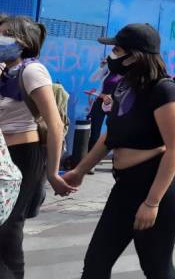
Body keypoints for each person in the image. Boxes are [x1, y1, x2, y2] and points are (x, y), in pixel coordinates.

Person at [60, 23, 175, 278]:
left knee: (155, 266)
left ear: (136, 55)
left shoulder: (164, 90)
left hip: (157, 184)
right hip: (126, 185)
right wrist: (80, 170)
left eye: (117, 50)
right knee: (96, 263)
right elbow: (111, 135)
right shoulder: (124, 86)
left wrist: (152, 203)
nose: (112, 57)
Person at [0, 15, 75, 278]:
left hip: (23, 156)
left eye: (5, 34)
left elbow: (54, 124)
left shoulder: (32, 71)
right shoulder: (4, 72)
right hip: (3, 156)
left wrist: (53, 172)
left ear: (23, 42)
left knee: (8, 226)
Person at [87, 58, 122, 151]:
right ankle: (90, 156)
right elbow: (92, 79)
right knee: (95, 132)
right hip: (99, 102)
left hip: (114, 104)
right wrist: (101, 67)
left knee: (114, 131)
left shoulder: (125, 73)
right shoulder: (107, 70)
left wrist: (112, 97)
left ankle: (116, 154)